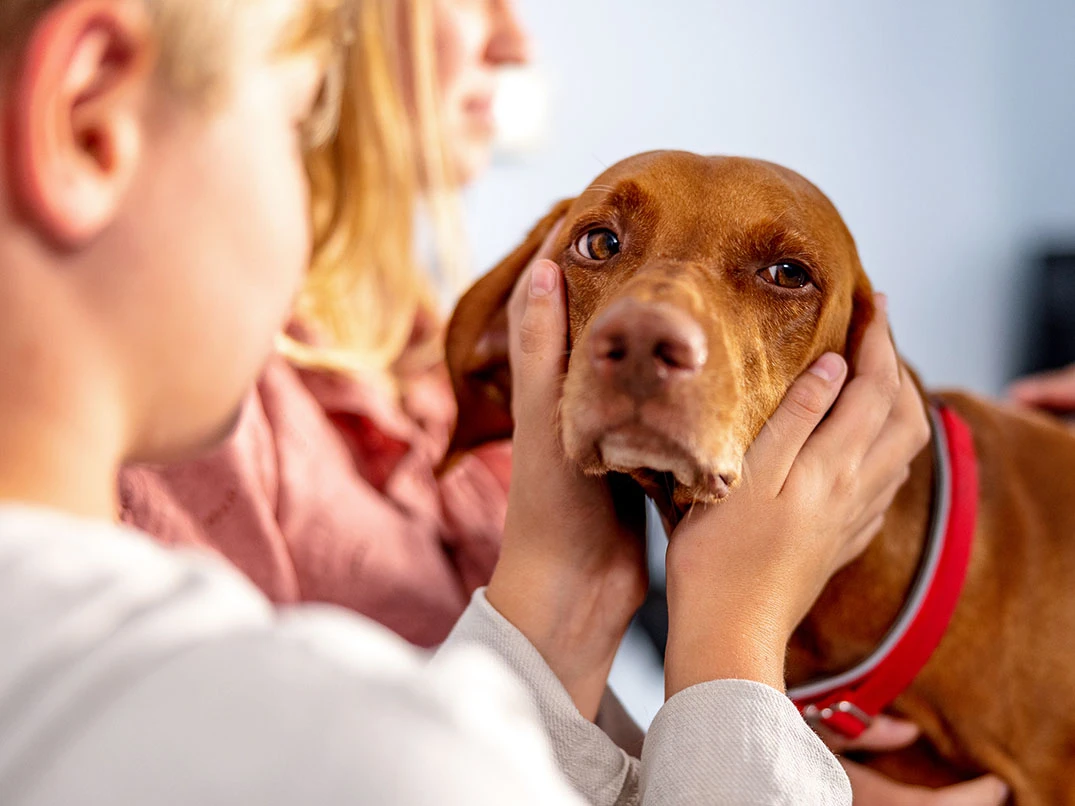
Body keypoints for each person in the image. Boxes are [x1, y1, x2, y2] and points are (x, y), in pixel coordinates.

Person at [0, 0, 931, 802]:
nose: (520, 43)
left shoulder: (484, 388)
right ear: (86, 120)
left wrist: (785, 763)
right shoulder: (202, 414)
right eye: (296, 118)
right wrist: (738, 672)